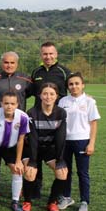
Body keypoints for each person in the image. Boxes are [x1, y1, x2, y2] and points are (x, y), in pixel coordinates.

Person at [0, 52, 32, 197]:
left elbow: (34, 94)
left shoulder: (25, 79)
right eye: (6, 62)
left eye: (12, 62)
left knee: (17, 156)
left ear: (17, 63)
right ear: (1, 63)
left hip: (16, 126)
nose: (9, 65)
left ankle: (21, 186)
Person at [30, 42, 71, 200]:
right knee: (36, 154)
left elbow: (74, 87)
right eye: (45, 54)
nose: (48, 57)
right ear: (41, 55)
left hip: (56, 121)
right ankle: (35, 187)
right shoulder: (36, 72)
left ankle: (60, 193)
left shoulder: (64, 72)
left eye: (51, 53)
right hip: (38, 119)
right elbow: (29, 91)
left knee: (58, 153)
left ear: (56, 54)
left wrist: (85, 95)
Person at [22, 83, 68, 211]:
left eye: (52, 94)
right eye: (45, 94)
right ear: (40, 96)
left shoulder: (61, 113)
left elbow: (61, 137)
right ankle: (27, 201)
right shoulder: (32, 112)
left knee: (62, 172)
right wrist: (32, 160)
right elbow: (33, 138)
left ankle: (52, 202)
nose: (48, 97)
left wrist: (60, 159)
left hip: (49, 149)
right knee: (30, 172)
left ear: (56, 96)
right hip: (32, 148)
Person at [58, 72, 100, 211]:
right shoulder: (63, 101)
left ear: (83, 85)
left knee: (83, 172)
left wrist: (91, 143)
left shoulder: (89, 101)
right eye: (71, 84)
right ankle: (66, 197)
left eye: (77, 83)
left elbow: (93, 124)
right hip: (65, 141)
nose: (74, 86)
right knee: (66, 171)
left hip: (82, 141)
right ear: (68, 87)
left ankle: (84, 202)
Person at [0, 91, 30, 211]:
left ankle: (15, 201)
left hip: (10, 147)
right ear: (1, 103)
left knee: (18, 170)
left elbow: (21, 140)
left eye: (12, 104)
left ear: (17, 104)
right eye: (6, 103)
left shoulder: (23, 117)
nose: (9, 106)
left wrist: (18, 161)